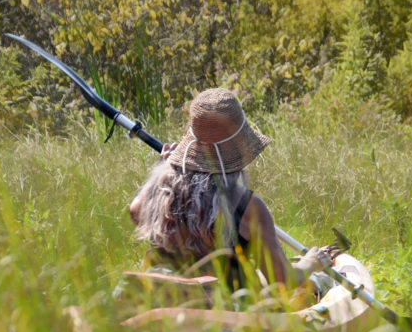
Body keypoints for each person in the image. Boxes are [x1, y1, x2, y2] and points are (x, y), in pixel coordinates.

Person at [128, 88, 333, 295]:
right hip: (228, 313)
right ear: (238, 146)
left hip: (169, 299)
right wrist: (311, 263)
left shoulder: (162, 191)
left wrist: (163, 169)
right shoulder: (248, 207)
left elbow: (136, 212)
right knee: (318, 281)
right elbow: (280, 277)